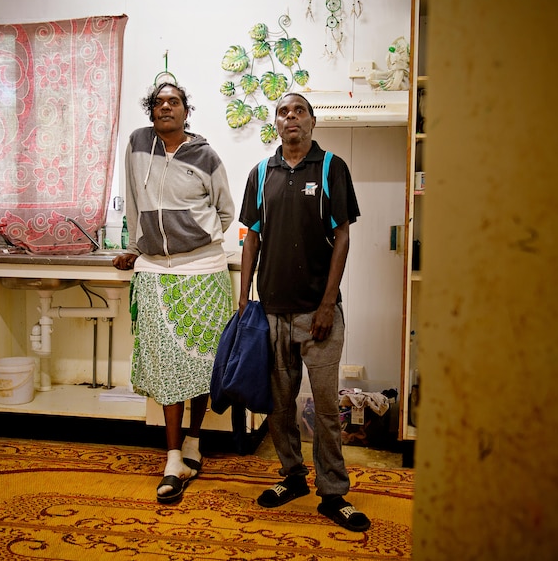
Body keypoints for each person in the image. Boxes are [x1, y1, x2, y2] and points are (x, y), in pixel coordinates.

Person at [237, 92, 370, 532]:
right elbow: (251, 238)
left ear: (312, 121)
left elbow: (343, 236)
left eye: (299, 111)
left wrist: (328, 302)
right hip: (272, 310)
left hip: (318, 314)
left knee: (327, 410)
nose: (290, 117)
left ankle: (333, 494)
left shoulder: (332, 168)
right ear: (275, 123)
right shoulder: (261, 173)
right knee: (278, 406)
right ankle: (292, 476)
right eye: (283, 112)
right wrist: (244, 301)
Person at [112, 81, 235, 504]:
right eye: (160, 102)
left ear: (186, 110)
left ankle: (195, 443)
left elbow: (225, 211)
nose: (167, 107)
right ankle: (171, 458)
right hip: (155, 272)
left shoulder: (206, 155)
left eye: (175, 101)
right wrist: (133, 247)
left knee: (202, 362)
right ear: (151, 111)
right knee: (167, 368)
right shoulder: (136, 144)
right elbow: (131, 199)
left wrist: (195, 239)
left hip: (203, 270)